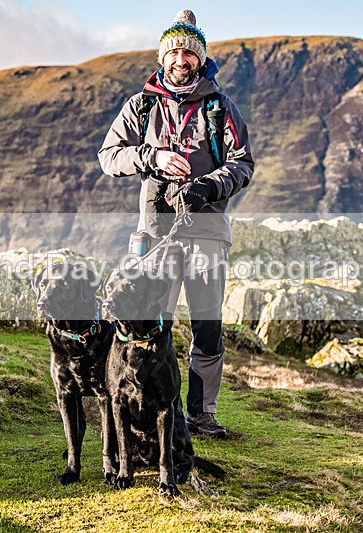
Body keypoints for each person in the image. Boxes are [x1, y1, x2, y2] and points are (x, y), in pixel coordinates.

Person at [98, 9, 255, 438]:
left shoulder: (221, 108)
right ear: (162, 57)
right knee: (151, 321)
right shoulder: (141, 106)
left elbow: (243, 164)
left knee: (207, 325)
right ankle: (146, 411)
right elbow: (109, 156)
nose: (180, 58)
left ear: (200, 59)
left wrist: (208, 187)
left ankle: (202, 414)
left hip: (206, 232)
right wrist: (150, 157)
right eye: (173, 51)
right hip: (154, 232)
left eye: (188, 52)